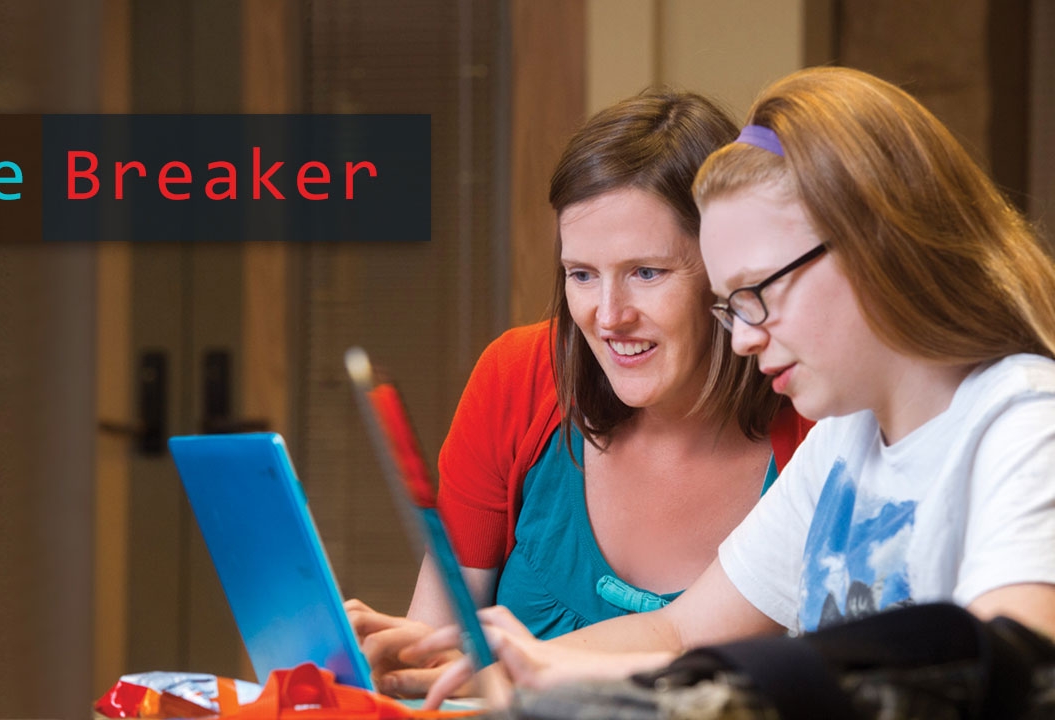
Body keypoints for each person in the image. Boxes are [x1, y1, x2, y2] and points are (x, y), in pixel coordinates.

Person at [410, 65, 1055, 708]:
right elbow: (683, 629)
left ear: (871, 245)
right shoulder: (844, 440)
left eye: (756, 292)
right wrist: (505, 666)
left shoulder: (1025, 421)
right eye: (729, 304)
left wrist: (744, 680)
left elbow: (1008, 654)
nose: (743, 338)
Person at [346, 89, 811, 698]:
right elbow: (440, 648)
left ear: (725, 269)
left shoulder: (814, 422)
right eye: (581, 274)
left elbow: (681, 637)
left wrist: (501, 674)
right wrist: (402, 660)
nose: (608, 316)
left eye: (647, 272)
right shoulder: (518, 375)